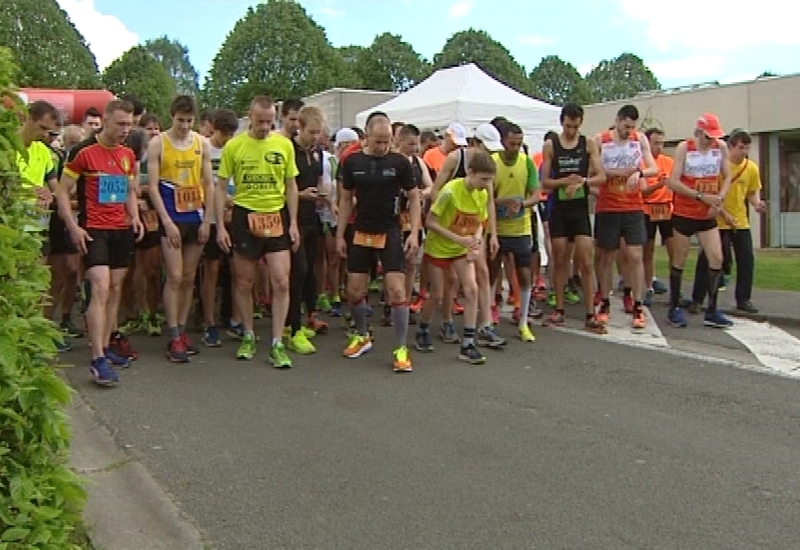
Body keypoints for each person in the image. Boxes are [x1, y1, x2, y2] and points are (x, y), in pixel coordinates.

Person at [56, 99, 145, 386]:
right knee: (100, 286)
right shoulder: (83, 151)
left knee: (116, 288)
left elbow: (130, 189)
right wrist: (73, 226)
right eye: (120, 124)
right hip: (94, 229)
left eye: (129, 125)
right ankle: (96, 359)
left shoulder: (128, 154)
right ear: (105, 121)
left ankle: (105, 347)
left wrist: (135, 217)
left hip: (121, 230)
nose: (124, 130)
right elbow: (62, 192)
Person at [215, 95, 299, 367]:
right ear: (249, 118)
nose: (265, 127)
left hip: (275, 216)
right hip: (244, 215)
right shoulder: (235, 146)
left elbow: (291, 186)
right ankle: (249, 334)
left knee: (281, 280)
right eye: (260, 121)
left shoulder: (284, 145)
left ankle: (276, 342)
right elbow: (220, 186)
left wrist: (294, 222)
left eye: (269, 122)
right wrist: (219, 226)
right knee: (244, 281)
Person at [337, 118, 421, 372]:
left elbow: (415, 197)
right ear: (366, 136)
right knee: (354, 290)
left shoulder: (399, 163)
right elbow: (346, 200)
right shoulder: (352, 162)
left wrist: (414, 233)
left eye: (387, 142)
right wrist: (340, 234)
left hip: (390, 230)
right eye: (378, 142)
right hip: (361, 230)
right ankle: (362, 336)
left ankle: (401, 348)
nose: (383, 146)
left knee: (396, 290)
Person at [147, 95, 215, 363]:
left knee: (189, 277)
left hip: (195, 216)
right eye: (180, 121)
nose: (185, 126)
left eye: (189, 121)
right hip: (171, 216)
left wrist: (208, 220)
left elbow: (209, 184)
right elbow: (152, 186)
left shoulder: (201, 143)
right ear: (171, 117)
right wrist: (165, 221)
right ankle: (173, 333)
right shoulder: (158, 143)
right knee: (174, 276)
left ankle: (182, 330)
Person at [415, 151, 497, 364]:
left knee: (471, 289)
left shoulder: (482, 194)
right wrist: (458, 239)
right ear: (471, 172)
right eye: (484, 179)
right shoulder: (450, 191)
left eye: (490, 180)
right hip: (439, 247)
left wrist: (476, 240)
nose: (486, 184)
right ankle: (422, 328)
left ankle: (468, 343)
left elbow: (480, 222)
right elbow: (431, 222)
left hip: (460, 248)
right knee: (438, 294)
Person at [540, 103, 607, 332]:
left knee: (585, 260)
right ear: (562, 122)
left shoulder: (587, 144)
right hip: (559, 208)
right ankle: (558, 308)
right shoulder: (551, 145)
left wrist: (583, 181)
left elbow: (601, 176)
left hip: (579, 209)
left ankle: (590, 313)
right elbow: (545, 183)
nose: (571, 131)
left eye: (575, 127)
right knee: (559, 259)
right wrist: (565, 182)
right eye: (568, 126)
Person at [665, 113, 733, 329]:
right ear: (697, 133)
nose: (710, 141)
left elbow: (728, 176)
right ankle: (674, 306)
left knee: (716, 257)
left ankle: (712, 309)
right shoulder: (685, 148)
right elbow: (673, 182)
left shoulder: (720, 148)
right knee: (680, 258)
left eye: (713, 136)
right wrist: (701, 196)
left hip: (707, 215)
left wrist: (719, 199)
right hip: (684, 213)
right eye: (707, 136)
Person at [593, 105, 658, 330]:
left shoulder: (639, 140)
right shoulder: (601, 140)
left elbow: (653, 167)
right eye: (625, 126)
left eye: (632, 127)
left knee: (635, 254)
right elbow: (594, 172)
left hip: (633, 205)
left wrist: (639, 173)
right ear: (617, 121)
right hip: (608, 206)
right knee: (606, 256)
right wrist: (615, 174)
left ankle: (638, 304)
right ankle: (605, 300)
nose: (628, 131)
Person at [690, 129, 765, 314]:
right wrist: (724, 214)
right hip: (718, 220)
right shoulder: (721, 167)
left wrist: (757, 204)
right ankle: (698, 299)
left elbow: (752, 192)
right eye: (741, 147)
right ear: (731, 146)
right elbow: (714, 194)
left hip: (740, 221)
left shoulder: (751, 168)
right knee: (708, 259)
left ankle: (743, 298)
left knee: (746, 259)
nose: (744, 151)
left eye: (747, 147)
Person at [489, 122, 540, 343]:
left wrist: (523, 204)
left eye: (519, 144)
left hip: (521, 228)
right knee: (491, 272)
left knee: (525, 274)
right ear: (502, 142)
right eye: (512, 144)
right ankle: (489, 314)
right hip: (497, 229)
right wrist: (504, 203)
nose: (516, 148)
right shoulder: (492, 163)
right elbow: (486, 198)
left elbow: (537, 194)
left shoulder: (526, 162)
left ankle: (523, 320)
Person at [285, 105, 328, 355]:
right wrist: (301, 194)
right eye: (311, 132)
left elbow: (318, 180)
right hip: (293, 217)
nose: (315, 137)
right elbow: (283, 187)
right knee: (297, 271)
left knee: (311, 269)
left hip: (313, 216)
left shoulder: (318, 152)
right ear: (299, 127)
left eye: (318, 132)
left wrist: (324, 196)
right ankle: (293, 326)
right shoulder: (288, 149)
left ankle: (311, 314)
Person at [199, 108, 239, 347]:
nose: (226, 139)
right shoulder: (203, 147)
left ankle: (234, 317)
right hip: (210, 217)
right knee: (211, 271)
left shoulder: (234, 149)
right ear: (214, 128)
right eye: (224, 134)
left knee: (237, 271)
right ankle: (209, 322)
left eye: (230, 134)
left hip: (233, 216)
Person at [641, 128, 675, 306]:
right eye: (655, 143)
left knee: (674, 250)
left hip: (667, 209)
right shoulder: (643, 163)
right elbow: (644, 192)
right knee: (648, 250)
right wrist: (660, 185)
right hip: (648, 209)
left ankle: (676, 291)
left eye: (662, 143)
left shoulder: (668, 162)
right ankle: (648, 287)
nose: (659, 147)